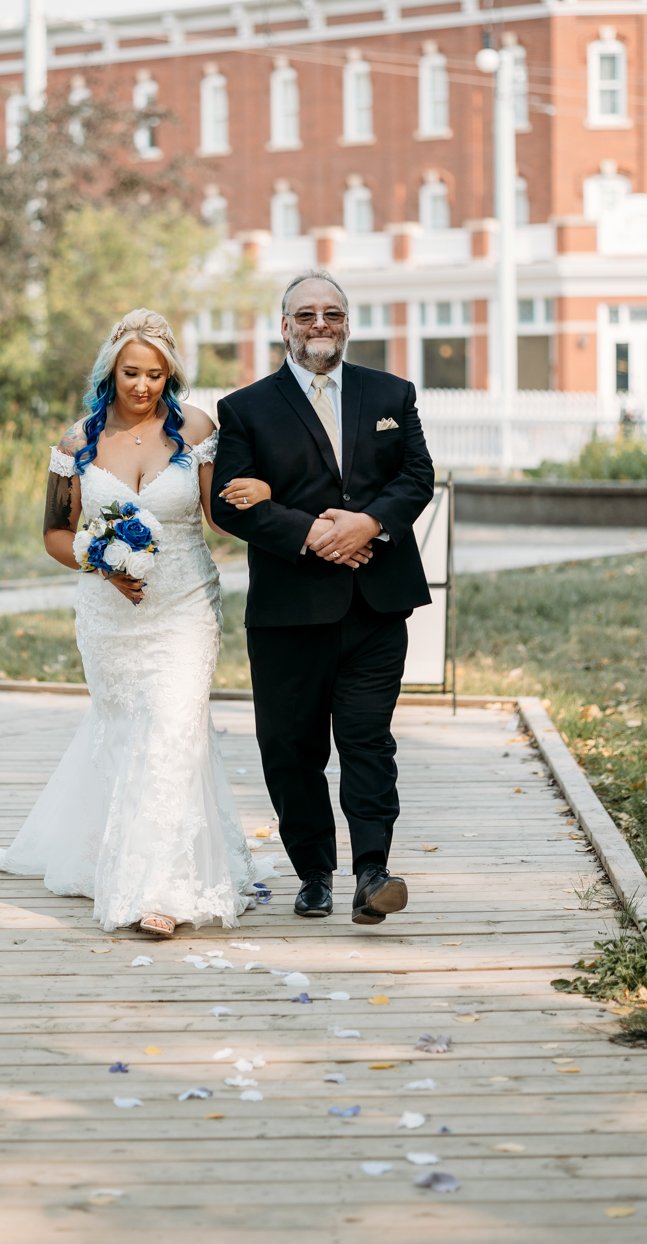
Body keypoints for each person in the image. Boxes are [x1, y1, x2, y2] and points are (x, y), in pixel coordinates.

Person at [0, 308, 259, 938]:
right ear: (111, 370)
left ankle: (161, 890)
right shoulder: (77, 442)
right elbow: (54, 533)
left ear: (171, 375)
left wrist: (261, 497)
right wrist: (100, 564)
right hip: (108, 616)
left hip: (184, 606)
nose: (144, 386)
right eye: (132, 372)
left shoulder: (197, 428)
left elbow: (216, 519)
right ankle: (114, 851)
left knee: (173, 731)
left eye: (156, 375)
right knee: (127, 729)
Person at [213, 270, 434, 926]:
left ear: (346, 323)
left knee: (368, 741)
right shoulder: (246, 408)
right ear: (285, 326)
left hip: (376, 603)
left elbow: (416, 476)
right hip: (289, 610)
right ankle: (314, 873)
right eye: (305, 314)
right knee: (292, 747)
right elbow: (231, 502)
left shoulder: (391, 393)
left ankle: (372, 871)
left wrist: (368, 523)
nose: (319, 325)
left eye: (331, 314)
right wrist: (311, 532)